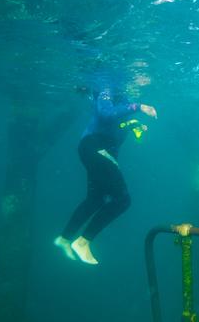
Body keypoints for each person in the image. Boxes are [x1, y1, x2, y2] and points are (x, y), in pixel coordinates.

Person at [54, 86, 157, 264]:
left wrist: (135, 126)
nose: (144, 83)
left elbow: (123, 131)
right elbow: (105, 114)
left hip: (98, 151)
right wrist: (139, 107)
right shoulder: (108, 88)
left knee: (96, 200)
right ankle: (83, 241)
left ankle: (64, 238)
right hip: (94, 147)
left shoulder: (124, 103)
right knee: (122, 200)